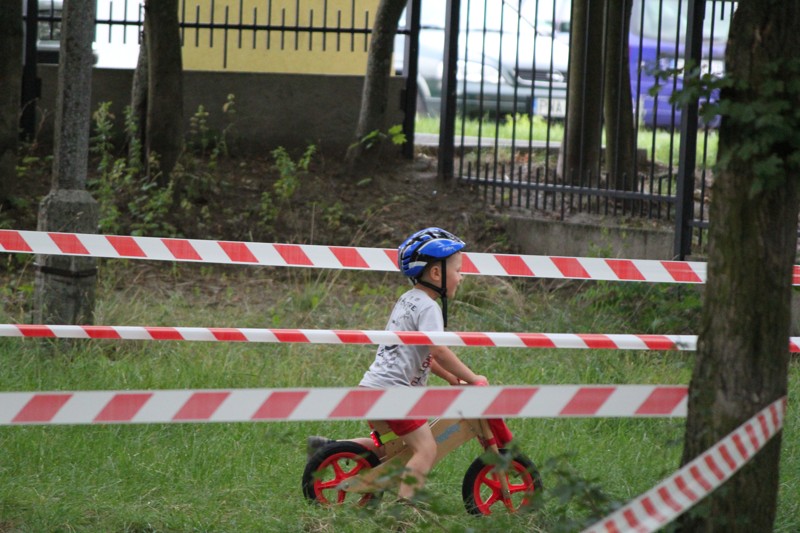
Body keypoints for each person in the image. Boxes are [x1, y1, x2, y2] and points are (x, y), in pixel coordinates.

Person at [307, 227, 487, 501]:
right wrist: (473, 378)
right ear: (436, 273)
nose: (461, 277)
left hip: (373, 386)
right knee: (426, 449)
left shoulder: (407, 300)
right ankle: (405, 510)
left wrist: (451, 378)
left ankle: (328, 449)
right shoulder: (430, 308)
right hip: (395, 393)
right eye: (458, 271)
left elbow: (421, 352)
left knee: (391, 450)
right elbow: (438, 350)